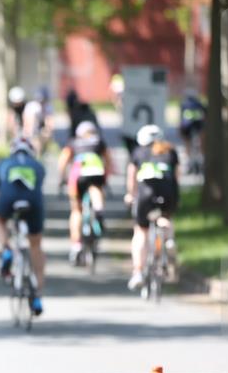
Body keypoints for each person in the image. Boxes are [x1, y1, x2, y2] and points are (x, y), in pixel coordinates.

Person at [0, 137, 47, 316]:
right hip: (33, 201)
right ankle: (37, 296)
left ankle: (6, 249)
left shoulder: (4, 164)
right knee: (36, 245)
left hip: (9, 197)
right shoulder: (37, 165)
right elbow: (39, 186)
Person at [125, 124, 181, 290]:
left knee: (141, 231)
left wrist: (130, 195)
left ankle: (138, 272)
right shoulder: (171, 151)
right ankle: (169, 239)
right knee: (164, 217)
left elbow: (131, 177)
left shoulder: (138, 152)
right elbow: (177, 176)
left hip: (146, 195)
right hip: (168, 193)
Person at [58, 121, 112, 265]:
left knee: (76, 210)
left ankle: (76, 245)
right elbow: (109, 162)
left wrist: (62, 178)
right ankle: (99, 210)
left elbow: (63, 161)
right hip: (96, 171)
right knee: (96, 188)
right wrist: (106, 176)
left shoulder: (73, 142)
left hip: (78, 174)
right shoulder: (99, 142)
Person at [179, 89, 206, 173]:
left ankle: (187, 161)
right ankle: (201, 158)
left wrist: (180, 130)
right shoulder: (199, 104)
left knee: (187, 142)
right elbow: (205, 115)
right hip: (198, 125)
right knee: (201, 141)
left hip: (187, 125)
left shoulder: (184, 104)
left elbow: (181, 118)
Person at [22, 86, 52, 155]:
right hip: (31, 128)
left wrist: (47, 131)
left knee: (46, 135)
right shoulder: (32, 106)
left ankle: (42, 153)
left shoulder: (48, 106)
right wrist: (32, 134)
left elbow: (49, 121)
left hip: (40, 127)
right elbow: (29, 122)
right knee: (34, 141)